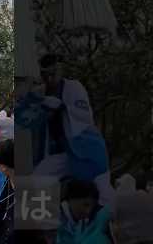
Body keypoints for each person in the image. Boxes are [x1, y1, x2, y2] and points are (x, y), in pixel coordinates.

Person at [33, 54, 114, 207]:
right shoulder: (40, 92)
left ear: (60, 71)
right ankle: (42, 223)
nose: (49, 79)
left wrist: (62, 106)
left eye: (53, 74)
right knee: (39, 177)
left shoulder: (74, 87)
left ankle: (114, 225)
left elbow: (84, 115)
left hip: (88, 149)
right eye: (45, 75)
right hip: (65, 153)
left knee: (103, 191)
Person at [57, 179, 114, 244]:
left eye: (91, 208)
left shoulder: (97, 218)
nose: (88, 212)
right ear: (73, 198)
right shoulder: (60, 225)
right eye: (85, 205)